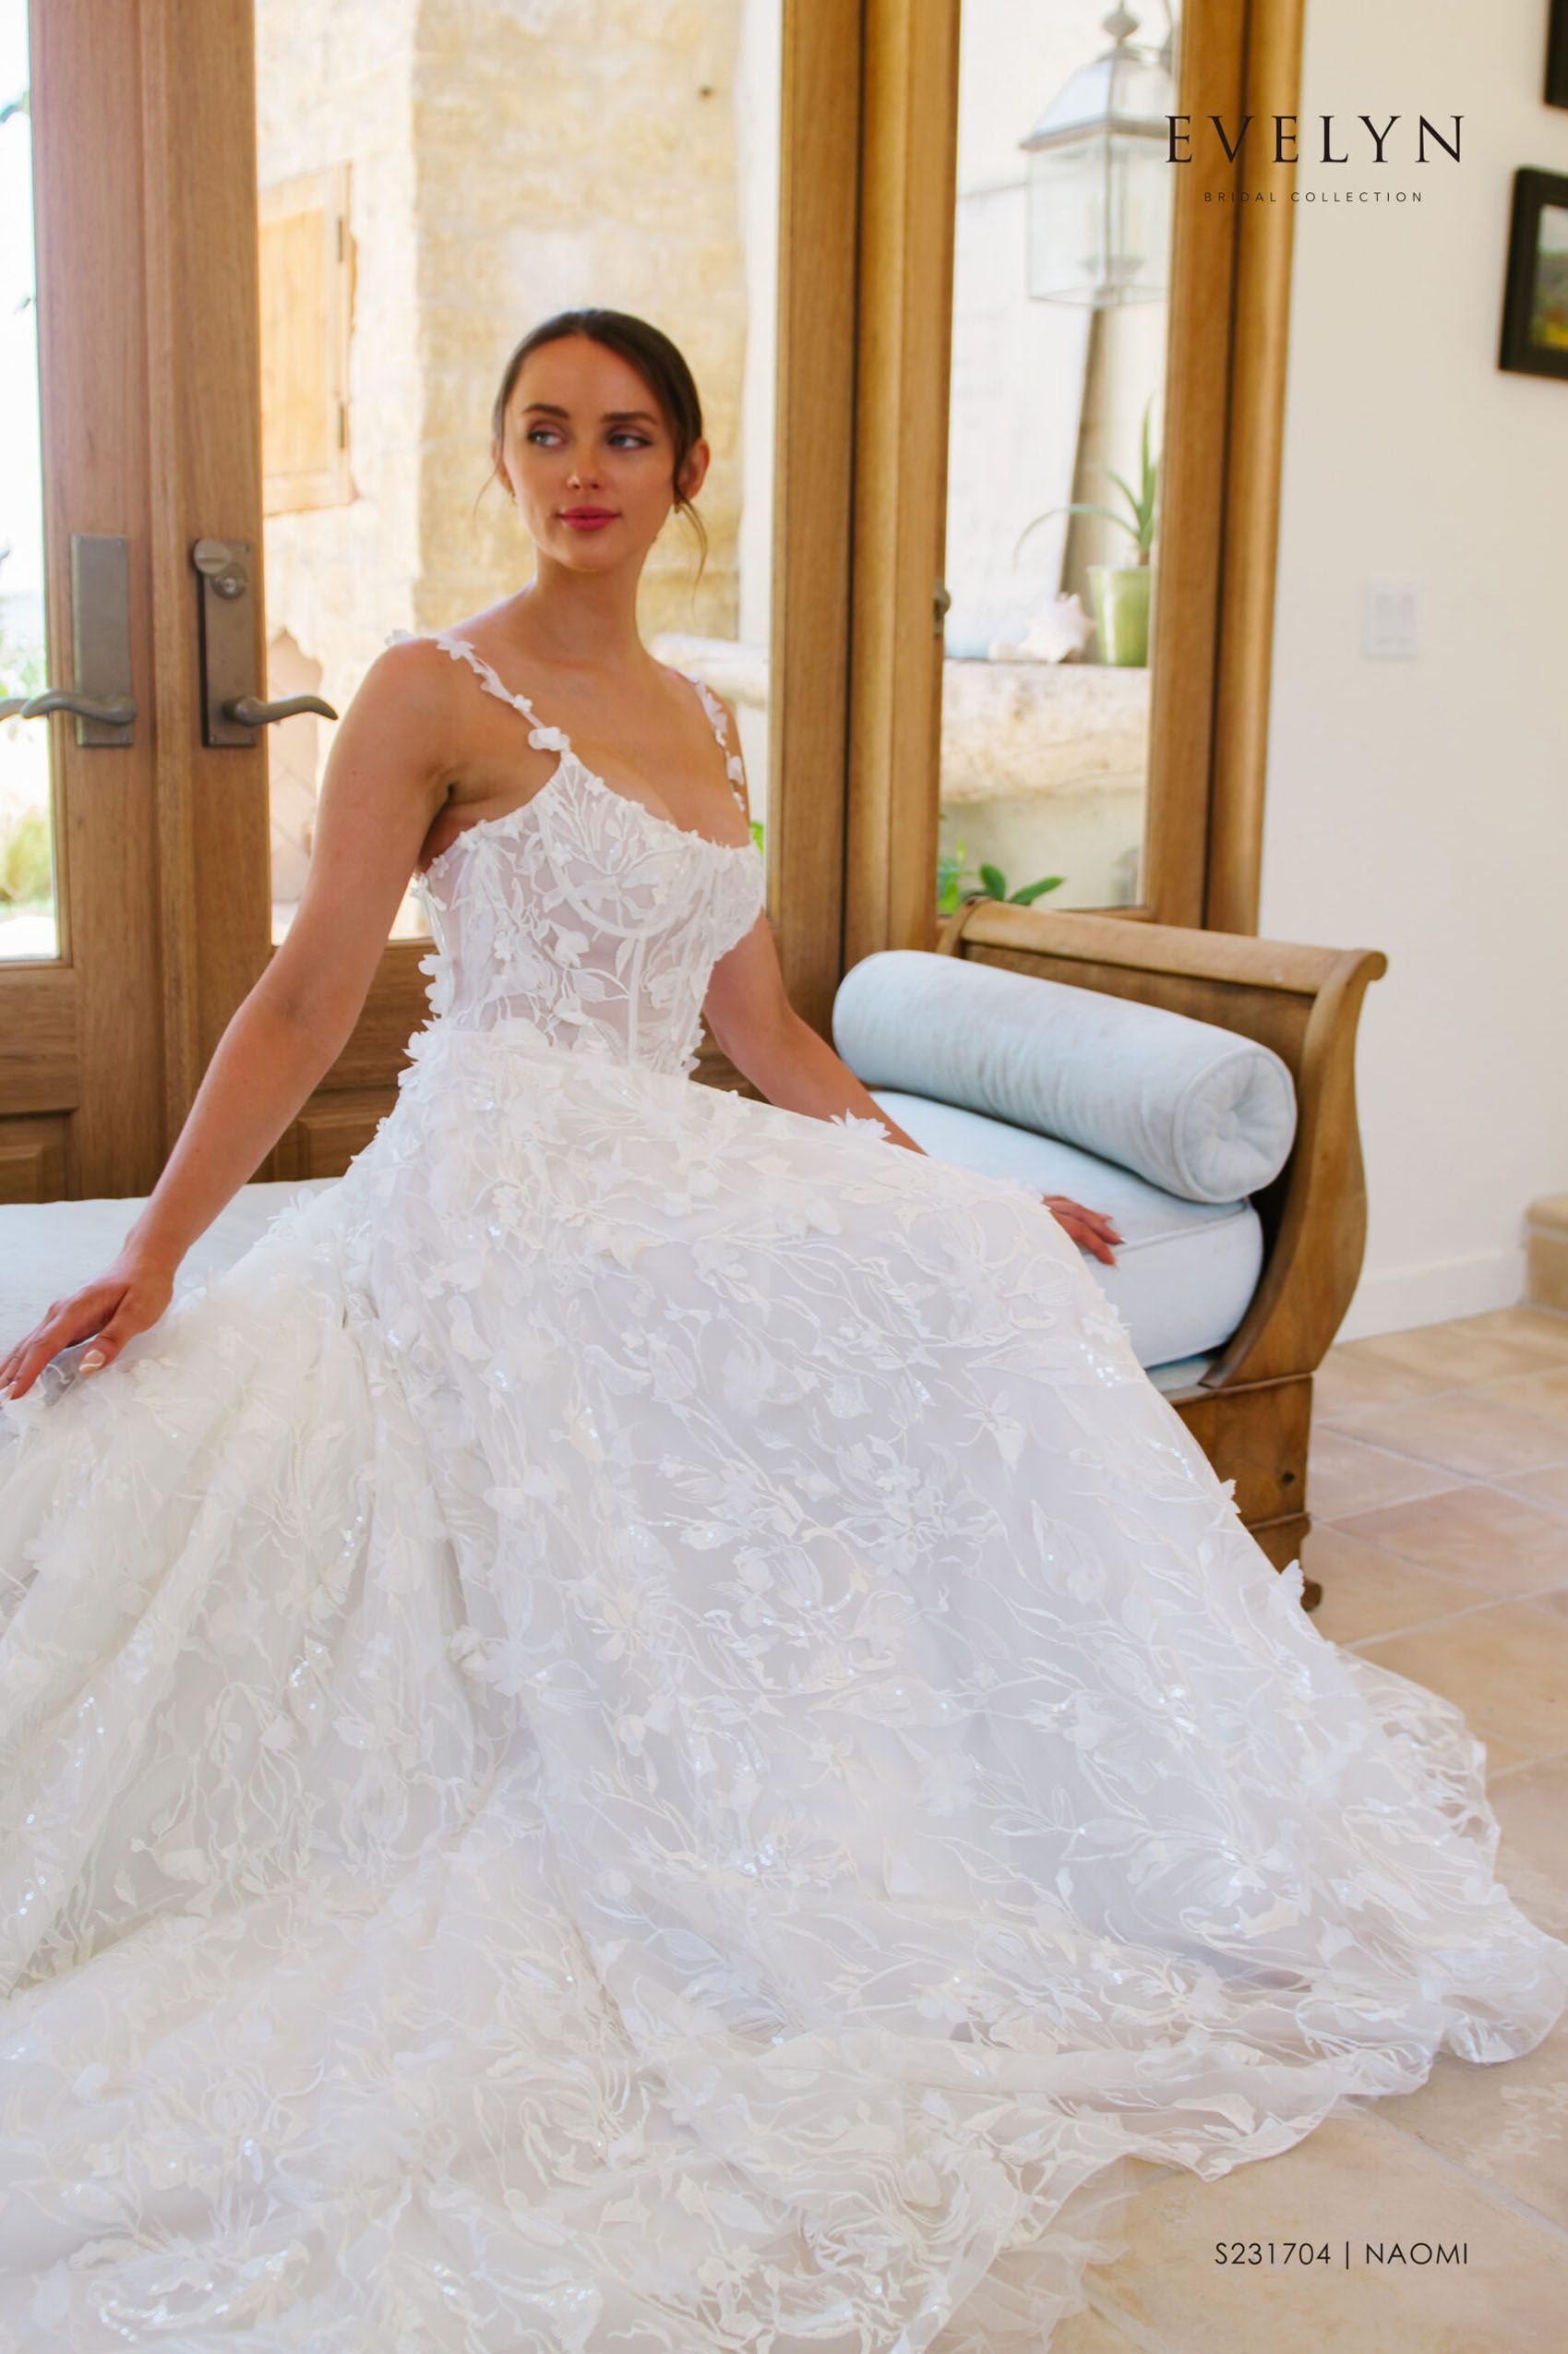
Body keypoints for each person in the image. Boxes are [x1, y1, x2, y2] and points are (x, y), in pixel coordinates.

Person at [0, 307, 1562, 2354]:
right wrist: (166, 1249)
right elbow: (305, 997)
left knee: (976, 1275)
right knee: (777, 1313)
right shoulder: (426, 687)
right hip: (502, 1179)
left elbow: (764, 1032)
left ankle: (1006, 1776)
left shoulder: (704, 720)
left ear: (685, 472)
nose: (583, 468)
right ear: (504, 460)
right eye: (546, 431)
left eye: (624, 435)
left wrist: (948, 1188)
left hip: (648, 1148)